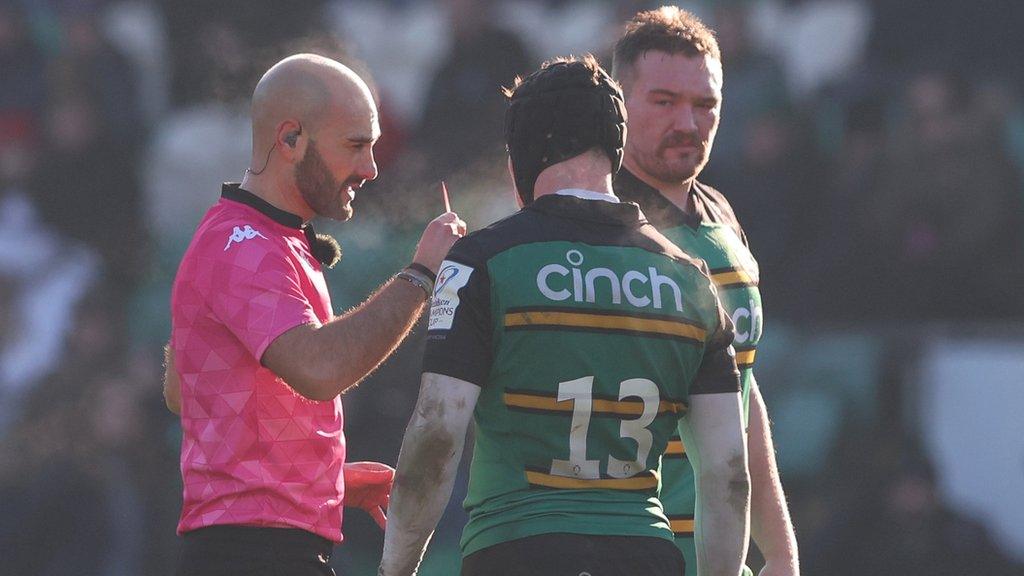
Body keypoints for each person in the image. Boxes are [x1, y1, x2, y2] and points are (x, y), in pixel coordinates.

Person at [379, 55, 750, 576]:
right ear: (614, 154)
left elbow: (438, 431)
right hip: (645, 554)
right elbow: (729, 472)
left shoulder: (483, 261)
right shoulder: (693, 280)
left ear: (523, 156)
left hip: (516, 549)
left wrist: (394, 569)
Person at [164, 53, 466, 576]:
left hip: (266, 547)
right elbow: (319, 369)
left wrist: (322, 478)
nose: (371, 168)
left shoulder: (269, 240)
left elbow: (187, 389)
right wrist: (421, 274)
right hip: (252, 555)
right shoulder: (243, 244)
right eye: (355, 145)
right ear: (290, 140)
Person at [610, 7, 799, 576]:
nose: (688, 123)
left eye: (705, 104)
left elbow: (741, 388)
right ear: (618, 103)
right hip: (623, 549)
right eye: (664, 101)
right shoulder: (588, 222)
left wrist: (783, 553)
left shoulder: (721, 213)